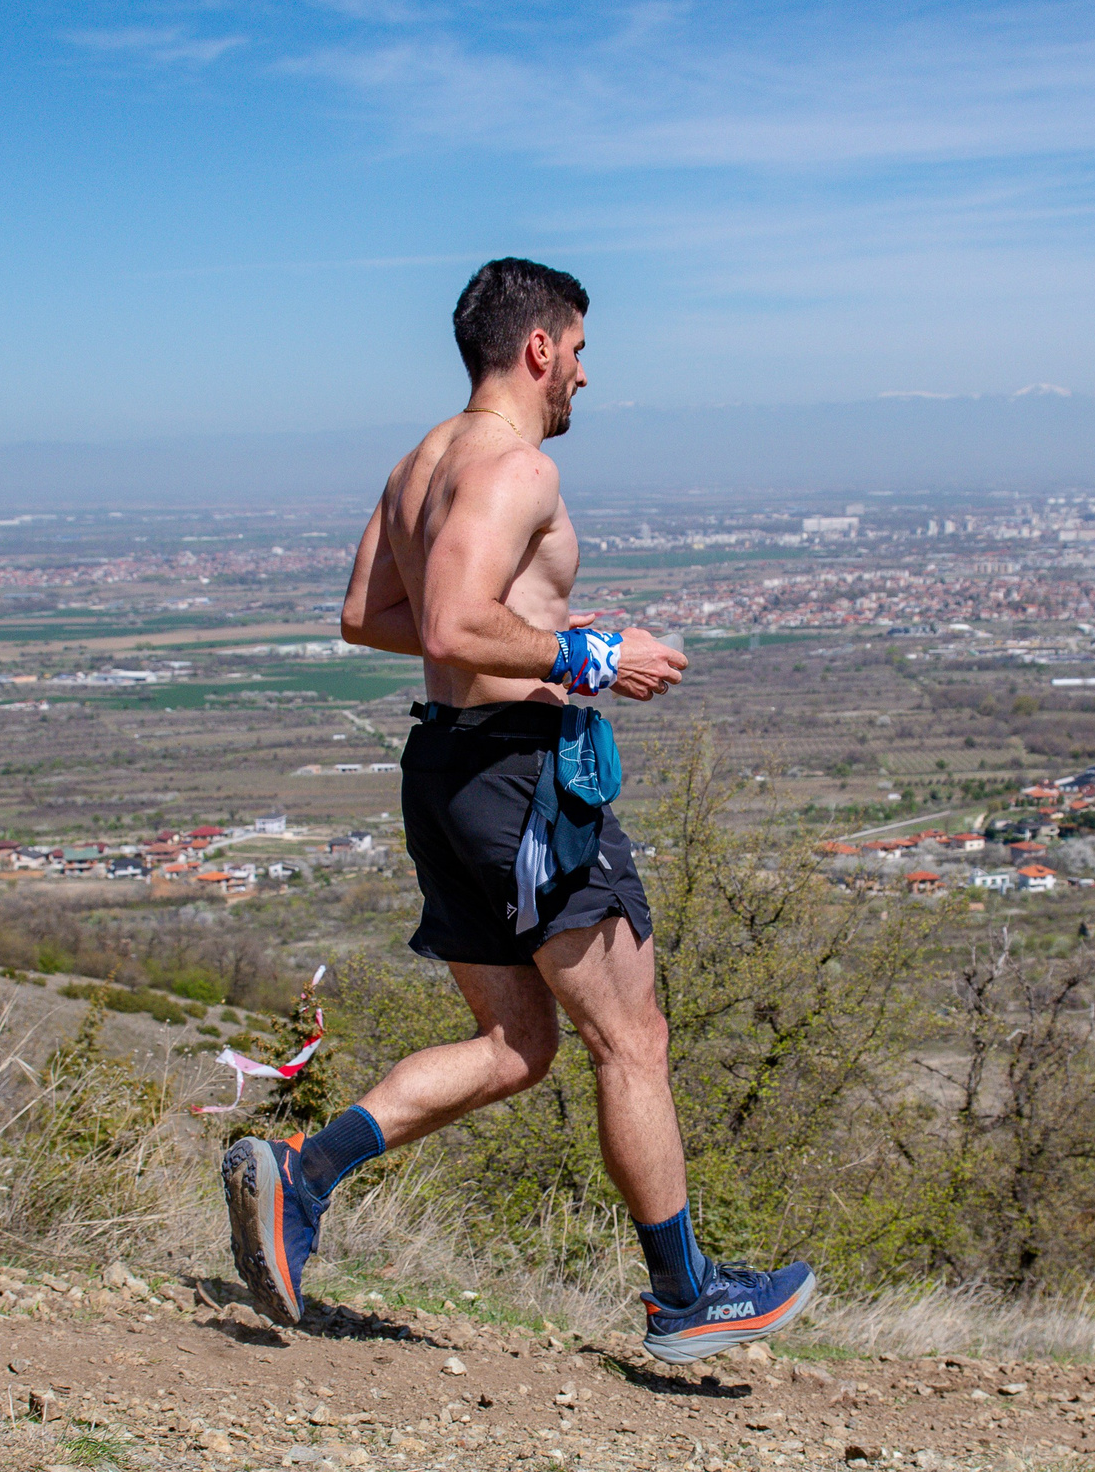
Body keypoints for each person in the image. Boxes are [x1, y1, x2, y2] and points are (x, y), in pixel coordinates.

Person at [223, 258, 815, 1364]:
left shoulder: (422, 462)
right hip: (518, 781)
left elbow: (368, 615)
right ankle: (685, 1293)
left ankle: (300, 1175)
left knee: (515, 1042)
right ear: (538, 346)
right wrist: (590, 654)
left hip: (444, 767)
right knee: (632, 1037)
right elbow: (450, 624)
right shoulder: (512, 468)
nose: (586, 377)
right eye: (581, 351)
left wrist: (527, 641)